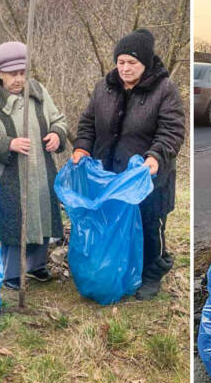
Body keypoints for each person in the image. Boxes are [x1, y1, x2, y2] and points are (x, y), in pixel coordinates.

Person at [71, 29, 185, 300]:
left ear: (145, 64)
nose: (125, 68)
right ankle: (119, 267)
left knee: (149, 225)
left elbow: (172, 131)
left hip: (149, 177)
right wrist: (81, 147)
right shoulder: (104, 88)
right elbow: (88, 123)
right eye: (121, 62)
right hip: (109, 175)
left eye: (132, 63)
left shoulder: (164, 90)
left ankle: (151, 273)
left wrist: (155, 157)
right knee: (114, 224)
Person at [0, 42, 69, 290]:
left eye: (22, 73)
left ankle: (37, 266)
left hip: (41, 168)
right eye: (12, 74)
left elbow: (58, 119)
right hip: (10, 174)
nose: (18, 79)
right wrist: (8, 143)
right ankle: (12, 272)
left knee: (43, 214)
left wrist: (57, 134)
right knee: (15, 218)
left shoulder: (38, 91)